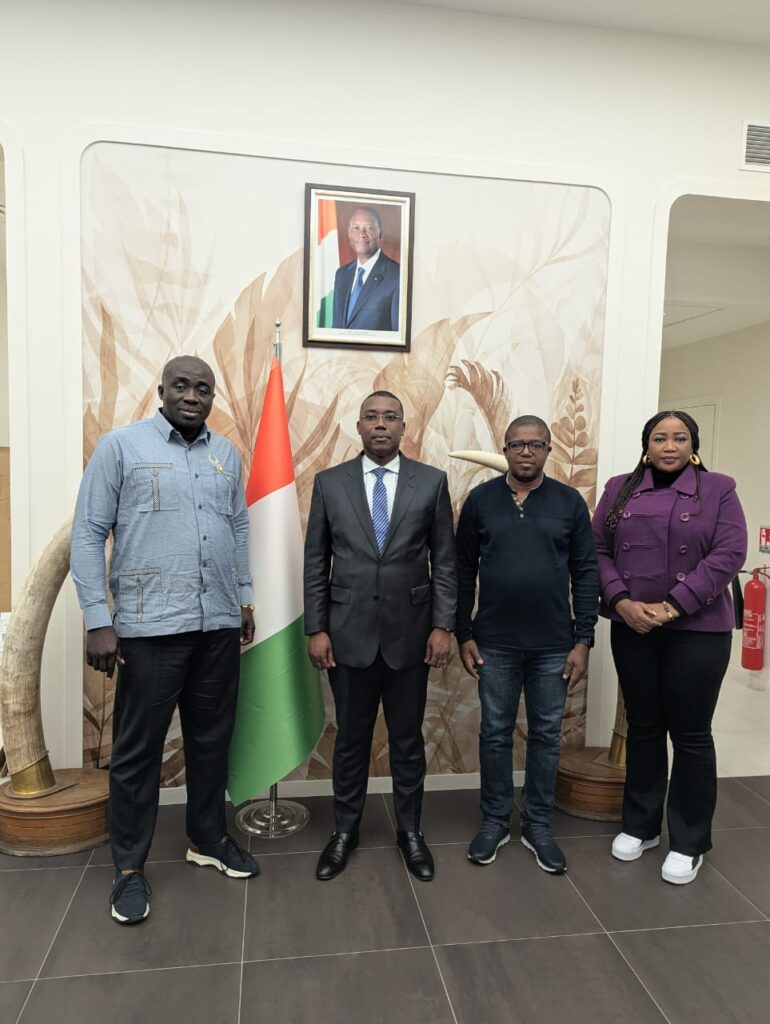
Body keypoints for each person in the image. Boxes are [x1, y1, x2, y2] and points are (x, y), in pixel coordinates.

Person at [70, 355, 258, 925]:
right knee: (138, 752)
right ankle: (129, 867)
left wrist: (243, 598)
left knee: (211, 742)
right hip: (149, 629)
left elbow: (239, 525)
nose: (193, 396)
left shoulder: (227, 455)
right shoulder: (120, 447)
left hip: (217, 624)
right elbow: (89, 532)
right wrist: (97, 618)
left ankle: (207, 838)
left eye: (203, 388)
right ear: (162, 390)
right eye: (182, 385)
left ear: (212, 397)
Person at [304, 390, 456, 881]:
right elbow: (315, 563)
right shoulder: (330, 483)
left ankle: (410, 832)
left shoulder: (430, 482)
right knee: (351, 741)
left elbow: (445, 562)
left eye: (391, 417)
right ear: (359, 426)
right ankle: (344, 831)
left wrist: (443, 626)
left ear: (404, 427)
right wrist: (316, 628)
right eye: (371, 417)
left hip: (411, 637)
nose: (381, 424)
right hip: (347, 637)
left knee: (408, 741)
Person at [593, 410, 747, 885]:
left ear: (693, 445)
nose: (669, 446)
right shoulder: (619, 488)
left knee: (691, 733)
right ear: (647, 445)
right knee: (643, 727)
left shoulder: (718, 488)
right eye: (660, 438)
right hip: (633, 625)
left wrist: (673, 605)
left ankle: (689, 840)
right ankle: (640, 826)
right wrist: (621, 602)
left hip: (697, 628)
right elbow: (597, 550)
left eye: (680, 438)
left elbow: (729, 553)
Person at [457, 415, 599, 874]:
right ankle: (496, 820)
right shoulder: (481, 501)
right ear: (504, 449)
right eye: (517, 444)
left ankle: (538, 824)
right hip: (493, 642)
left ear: (548, 450)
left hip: (554, 644)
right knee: (495, 733)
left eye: (535, 445)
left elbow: (586, 572)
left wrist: (583, 639)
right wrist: (463, 633)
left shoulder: (569, 502)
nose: (525, 452)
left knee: (546, 735)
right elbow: (462, 570)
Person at [331, 207, 400, 331]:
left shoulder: (397, 276)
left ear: (380, 233)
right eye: (356, 228)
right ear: (349, 232)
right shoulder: (341, 275)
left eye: (369, 228)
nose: (362, 234)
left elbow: (397, 335)